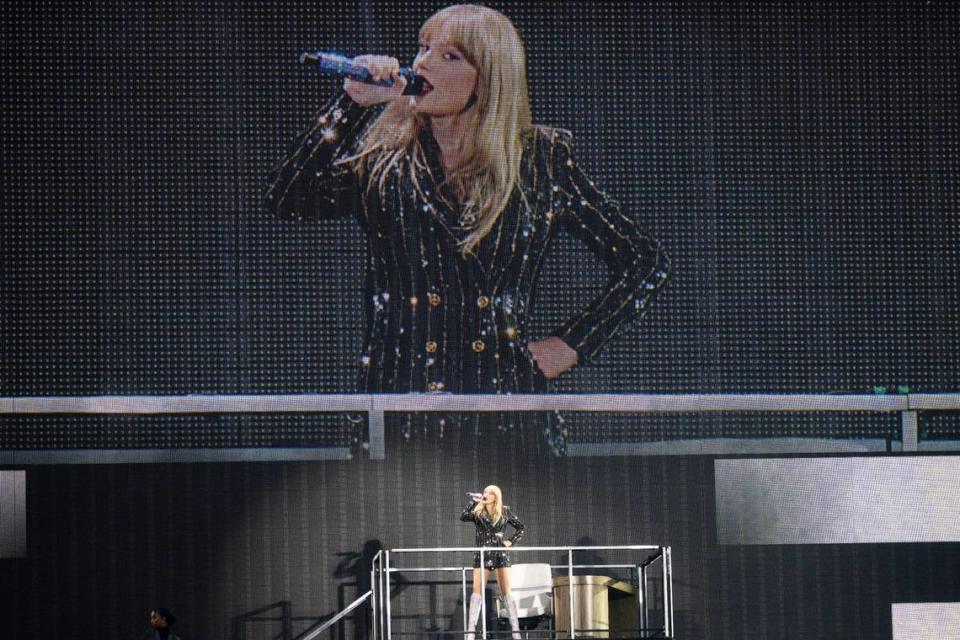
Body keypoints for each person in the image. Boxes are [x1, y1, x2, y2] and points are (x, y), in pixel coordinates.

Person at [263, 4, 671, 452]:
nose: (421, 65)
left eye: (450, 56)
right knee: (405, 523)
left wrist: (570, 345)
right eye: (422, 49)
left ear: (489, 78)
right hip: (400, 411)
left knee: (497, 525)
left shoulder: (539, 160)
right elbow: (287, 199)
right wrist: (350, 105)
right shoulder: (385, 161)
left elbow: (645, 263)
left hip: (505, 414)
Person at [461, 485, 524, 639]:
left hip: (500, 554)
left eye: (489, 493)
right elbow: (463, 516)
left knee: (506, 593)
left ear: (495, 496)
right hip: (482, 555)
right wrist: (475, 503)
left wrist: (510, 541)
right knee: (476, 593)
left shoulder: (505, 510)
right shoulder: (478, 511)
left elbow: (521, 528)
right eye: (485, 492)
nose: (486, 495)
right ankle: (470, 634)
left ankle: (516, 633)